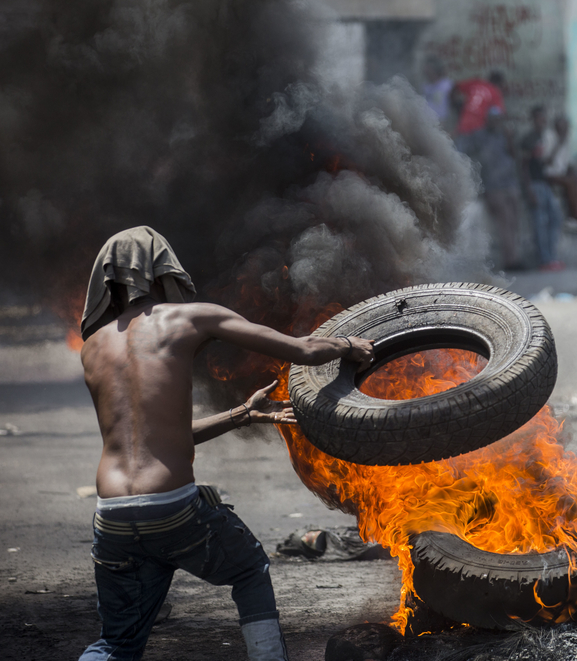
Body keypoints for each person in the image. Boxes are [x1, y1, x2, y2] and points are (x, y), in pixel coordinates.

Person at [76, 226, 374, 661]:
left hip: (113, 519)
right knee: (249, 568)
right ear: (163, 273)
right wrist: (350, 345)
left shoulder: (92, 348)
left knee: (117, 643)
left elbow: (155, 440)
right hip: (174, 509)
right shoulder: (193, 317)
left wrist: (243, 414)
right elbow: (304, 349)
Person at [459, 106, 523, 269]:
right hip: (494, 186)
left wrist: (509, 139)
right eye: (493, 119)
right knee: (505, 221)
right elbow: (462, 149)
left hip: (510, 184)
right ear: (488, 120)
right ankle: (511, 261)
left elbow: (514, 155)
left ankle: (515, 257)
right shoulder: (479, 136)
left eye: (498, 119)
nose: (496, 122)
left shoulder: (505, 136)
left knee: (514, 223)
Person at [520, 105, 564, 271]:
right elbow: (523, 166)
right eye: (539, 118)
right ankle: (544, 260)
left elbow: (548, 162)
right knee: (539, 222)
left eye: (544, 118)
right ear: (533, 119)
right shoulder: (528, 139)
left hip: (546, 184)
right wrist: (529, 189)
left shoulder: (547, 138)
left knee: (555, 219)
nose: (542, 121)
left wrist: (559, 142)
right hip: (535, 185)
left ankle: (552, 257)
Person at [544, 115, 577, 231]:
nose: (564, 129)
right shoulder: (549, 136)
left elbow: (567, 163)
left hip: (562, 174)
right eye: (561, 126)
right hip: (550, 175)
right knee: (570, 183)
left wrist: (576, 172)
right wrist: (559, 144)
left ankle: (575, 218)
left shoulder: (567, 139)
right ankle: (576, 217)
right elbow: (547, 162)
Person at [450, 70, 506, 137]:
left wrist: (454, 104)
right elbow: (499, 113)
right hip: (479, 127)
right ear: (499, 83)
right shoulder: (495, 92)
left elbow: (455, 87)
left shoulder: (476, 83)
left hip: (464, 124)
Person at [421, 56, 453, 124]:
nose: (425, 71)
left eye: (428, 68)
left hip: (443, 123)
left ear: (434, 70)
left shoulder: (447, 85)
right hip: (427, 123)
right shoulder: (425, 86)